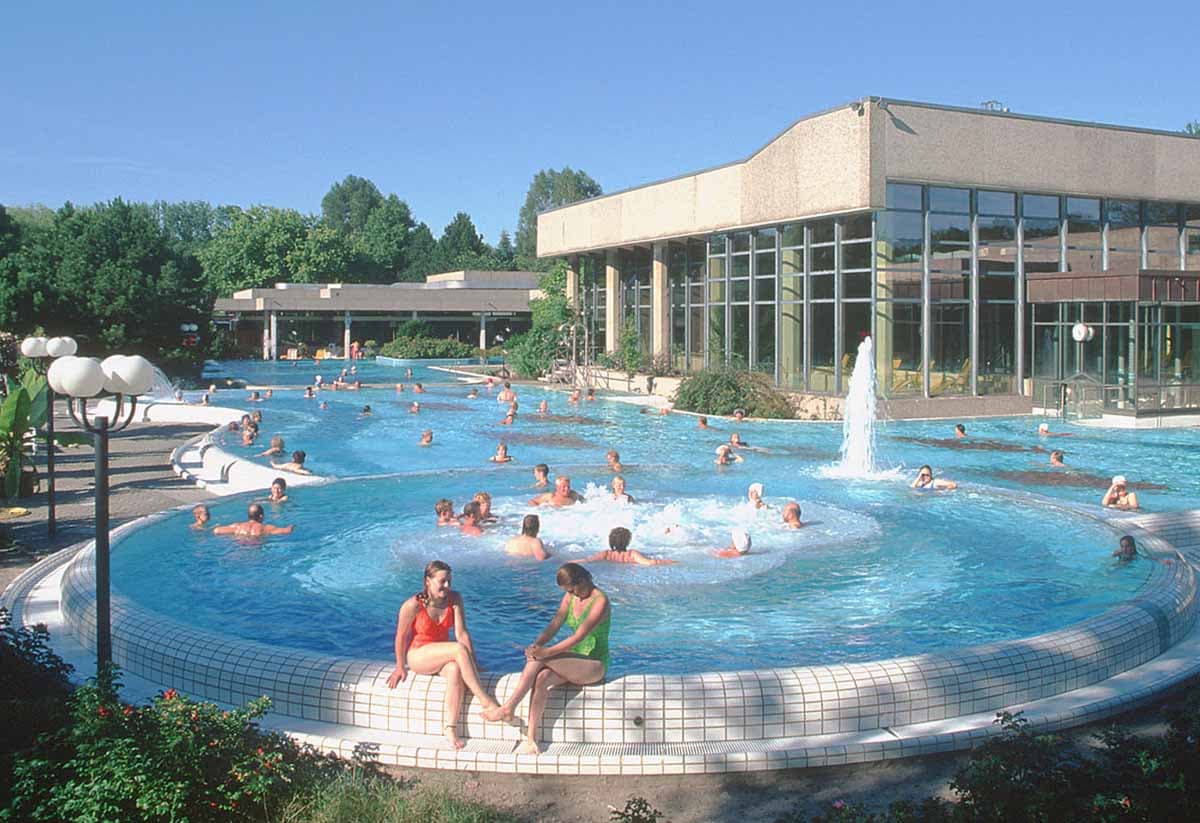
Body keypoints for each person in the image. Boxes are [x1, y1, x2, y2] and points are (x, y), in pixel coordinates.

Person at [482, 563, 609, 754]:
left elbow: (579, 636)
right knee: (541, 678)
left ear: (583, 580)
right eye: (568, 591)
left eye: (573, 590)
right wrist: (537, 645)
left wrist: (546, 653)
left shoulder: (600, 601)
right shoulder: (570, 597)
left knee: (539, 659)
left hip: (594, 664)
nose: (572, 594)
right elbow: (555, 624)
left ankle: (509, 707)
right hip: (573, 661)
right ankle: (531, 739)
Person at [385, 561, 502, 749]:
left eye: (449, 581)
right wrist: (399, 667)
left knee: (456, 669)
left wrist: (474, 664)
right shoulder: (413, 605)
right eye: (442, 581)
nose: (447, 586)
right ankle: (486, 701)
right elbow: (401, 636)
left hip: (442, 654)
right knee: (457, 649)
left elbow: (462, 633)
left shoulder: (455, 599)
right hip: (418, 655)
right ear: (428, 581)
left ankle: (451, 728)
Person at [584, 527, 673, 566]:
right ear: (628, 541)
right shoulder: (632, 554)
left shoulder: (606, 554)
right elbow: (649, 563)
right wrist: (672, 562)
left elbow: (587, 560)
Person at [212, 503, 294, 537]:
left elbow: (217, 530)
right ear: (261, 516)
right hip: (256, 556)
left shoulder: (238, 527)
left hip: (240, 549)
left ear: (248, 515)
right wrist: (292, 526)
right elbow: (287, 531)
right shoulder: (266, 528)